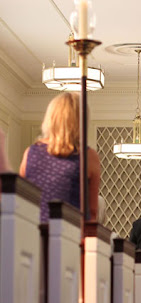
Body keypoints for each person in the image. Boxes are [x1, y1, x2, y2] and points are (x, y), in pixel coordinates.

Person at [19, 92, 100, 223]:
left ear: (50, 118)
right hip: (68, 230)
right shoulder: (88, 156)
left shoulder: (30, 152)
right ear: (82, 121)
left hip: (32, 228)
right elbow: (92, 212)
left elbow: (20, 197)